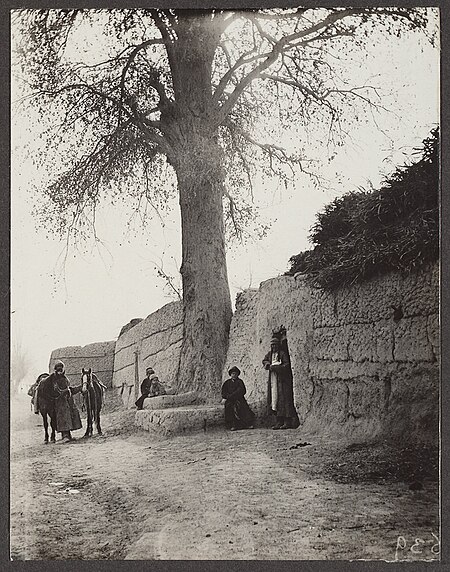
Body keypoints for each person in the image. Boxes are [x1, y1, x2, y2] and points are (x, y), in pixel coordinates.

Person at [263, 335, 299, 430]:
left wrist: (275, 368)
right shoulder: (270, 354)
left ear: (278, 345)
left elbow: (287, 365)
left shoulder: (282, 354)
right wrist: (267, 364)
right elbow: (265, 360)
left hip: (282, 380)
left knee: (284, 400)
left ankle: (287, 422)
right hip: (273, 380)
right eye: (272, 345)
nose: (274, 347)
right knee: (275, 400)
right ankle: (279, 421)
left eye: (275, 345)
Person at [46, 360, 83, 442]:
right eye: (58, 370)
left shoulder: (65, 378)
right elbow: (57, 391)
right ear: (56, 370)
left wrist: (80, 388)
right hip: (60, 402)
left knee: (70, 416)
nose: (60, 372)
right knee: (63, 417)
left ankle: (68, 435)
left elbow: (70, 389)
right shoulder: (54, 380)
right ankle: (64, 436)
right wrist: (66, 391)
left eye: (61, 370)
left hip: (68, 401)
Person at [221, 366, 255, 431]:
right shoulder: (227, 383)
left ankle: (247, 424)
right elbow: (224, 391)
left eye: (235, 374)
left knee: (243, 407)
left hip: (239, 399)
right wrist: (227, 397)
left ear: (237, 374)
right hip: (230, 400)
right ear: (230, 374)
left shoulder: (240, 382)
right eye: (233, 374)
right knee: (229, 407)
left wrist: (234, 396)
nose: (234, 375)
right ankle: (233, 425)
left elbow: (242, 390)